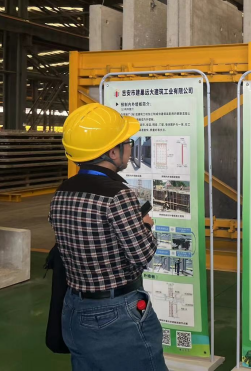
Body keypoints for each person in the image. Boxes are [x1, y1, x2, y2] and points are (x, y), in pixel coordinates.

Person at [49, 103, 167, 371]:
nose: (130, 149)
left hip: (74, 308)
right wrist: (145, 226)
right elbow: (142, 255)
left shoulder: (62, 191)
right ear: (113, 152)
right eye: (127, 143)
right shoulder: (118, 195)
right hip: (115, 314)